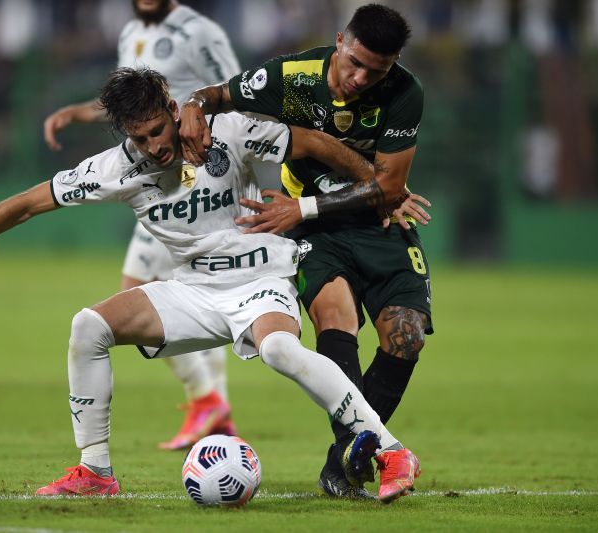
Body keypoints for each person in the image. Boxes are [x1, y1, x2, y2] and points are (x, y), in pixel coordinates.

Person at [0, 67, 420, 502]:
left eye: (156, 131)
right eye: (137, 138)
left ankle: (391, 449)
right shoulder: (116, 169)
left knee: (281, 349)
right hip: (192, 290)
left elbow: (312, 141)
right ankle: (95, 471)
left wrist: (382, 189)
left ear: (172, 110)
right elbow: (28, 203)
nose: (153, 147)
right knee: (88, 326)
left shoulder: (228, 130)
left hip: (262, 279)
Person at [179, 4, 432, 497]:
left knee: (406, 338)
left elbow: (388, 187)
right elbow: (218, 95)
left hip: (376, 222)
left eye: (375, 70)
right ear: (340, 40)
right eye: (353, 62)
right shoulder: (291, 77)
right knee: (336, 322)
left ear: (393, 64)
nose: (360, 78)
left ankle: (341, 462)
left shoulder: (405, 93)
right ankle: (365, 457)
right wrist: (193, 104)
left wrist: (303, 209)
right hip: (316, 233)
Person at [42, 0, 242, 450]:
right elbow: (128, 106)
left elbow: (234, 93)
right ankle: (211, 403)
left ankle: (208, 399)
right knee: (159, 291)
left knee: (138, 294)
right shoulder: (130, 31)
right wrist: (77, 111)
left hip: (195, 179)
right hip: (158, 179)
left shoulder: (198, 31)